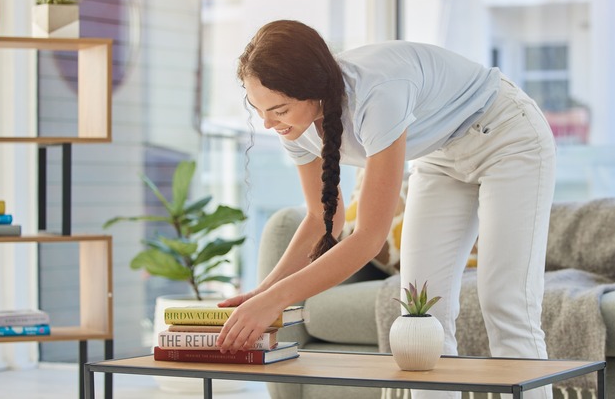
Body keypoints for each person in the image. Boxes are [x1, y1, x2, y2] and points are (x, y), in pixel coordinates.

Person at [216, 20, 556, 399]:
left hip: (507, 135)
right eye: (258, 109)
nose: (267, 123)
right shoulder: (294, 127)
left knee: (506, 303)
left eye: (278, 109)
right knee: (420, 313)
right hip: (440, 155)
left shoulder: (377, 90)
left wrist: (277, 300)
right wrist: (263, 292)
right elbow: (321, 218)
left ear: (314, 90)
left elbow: (368, 237)